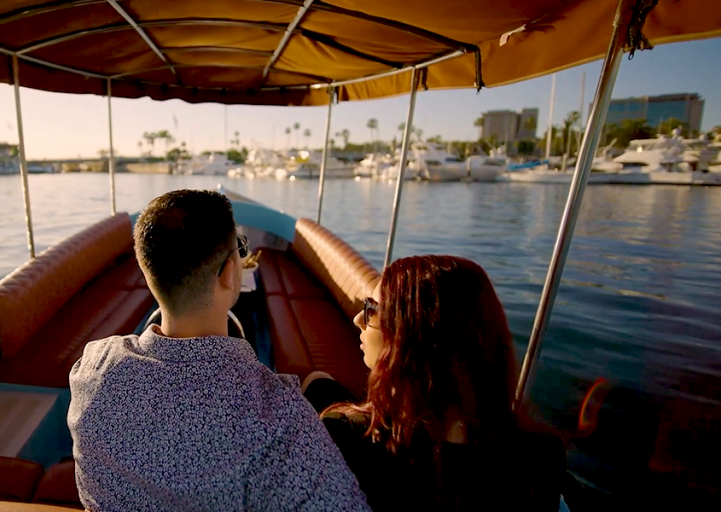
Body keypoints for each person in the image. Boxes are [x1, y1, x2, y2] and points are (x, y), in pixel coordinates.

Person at [68, 190, 370, 512]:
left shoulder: (91, 369)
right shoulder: (281, 417)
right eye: (240, 250)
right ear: (229, 273)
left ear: (147, 270)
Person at [306, 255, 565, 511]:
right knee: (321, 383)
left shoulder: (346, 438)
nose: (359, 320)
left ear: (408, 339)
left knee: (316, 384)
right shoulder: (543, 453)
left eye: (372, 310)